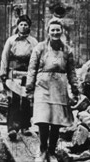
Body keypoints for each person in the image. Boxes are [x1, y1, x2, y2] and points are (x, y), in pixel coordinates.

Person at [26, 19, 79, 162]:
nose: (55, 32)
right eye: (52, 30)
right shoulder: (40, 48)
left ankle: (51, 151)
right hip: (43, 86)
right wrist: (29, 88)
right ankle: (42, 150)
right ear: (48, 32)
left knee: (56, 122)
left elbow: (72, 72)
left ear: (62, 31)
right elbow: (32, 69)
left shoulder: (67, 50)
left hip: (59, 88)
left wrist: (75, 89)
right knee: (43, 120)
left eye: (58, 30)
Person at [0, 15, 38, 141]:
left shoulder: (33, 42)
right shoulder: (11, 41)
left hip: (27, 74)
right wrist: (3, 74)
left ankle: (25, 126)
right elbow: (4, 58)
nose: (23, 26)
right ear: (17, 26)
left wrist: (36, 76)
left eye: (26, 24)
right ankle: (12, 128)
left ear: (29, 27)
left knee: (26, 100)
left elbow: (37, 60)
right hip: (13, 73)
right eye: (21, 24)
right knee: (13, 100)